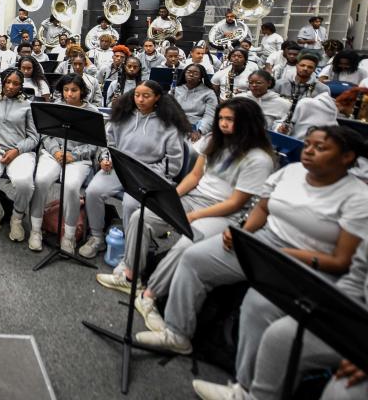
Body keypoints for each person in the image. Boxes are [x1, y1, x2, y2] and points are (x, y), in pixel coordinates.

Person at [136, 126, 368, 365]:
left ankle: (247, 388)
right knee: (193, 258)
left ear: (347, 157)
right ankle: (177, 333)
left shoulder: (358, 197)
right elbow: (263, 208)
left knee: (258, 305)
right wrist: (242, 234)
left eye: (319, 148)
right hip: (265, 240)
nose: (308, 151)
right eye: (307, 144)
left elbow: (341, 262)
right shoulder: (292, 172)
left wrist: (282, 254)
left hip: (307, 262)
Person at [96, 98, 274, 329]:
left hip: (224, 213)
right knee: (142, 216)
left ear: (248, 122)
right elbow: (194, 177)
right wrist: (171, 200)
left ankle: (149, 295)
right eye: (221, 118)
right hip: (194, 198)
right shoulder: (213, 141)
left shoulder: (259, 159)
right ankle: (130, 276)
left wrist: (194, 216)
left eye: (230, 119)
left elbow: (235, 202)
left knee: (187, 244)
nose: (223, 123)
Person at [193, 239, 368, 400]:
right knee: (281, 336)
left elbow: (341, 261)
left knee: (343, 391)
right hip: (357, 319)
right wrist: (329, 310)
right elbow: (356, 281)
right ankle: (252, 396)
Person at [82, 81, 188, 258]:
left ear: (157, 98)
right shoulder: (122, 116)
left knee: (130, 204)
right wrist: (106, 158)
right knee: (93, 191)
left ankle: (130, 247)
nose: (140, 99)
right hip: (120, 166)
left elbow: (174, 162)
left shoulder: (168, 124)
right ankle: (97, 237)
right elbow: (109, 144)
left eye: (146, 96)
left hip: (148, 172)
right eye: (137, 95)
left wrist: (154, 175)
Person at [0, 69, 51, 244]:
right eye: (8, 82)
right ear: (2, 82)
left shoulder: (28, 105)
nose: (11, 86)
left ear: (21, 86)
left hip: (21, 153)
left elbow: (34, 136)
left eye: (15, 83)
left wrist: (17, 150)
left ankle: (17, 218)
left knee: (24, 183)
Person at [44, 74, 103, 254]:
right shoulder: (56, 107)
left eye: (74, 90)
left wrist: (73, 155)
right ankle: (36, 228)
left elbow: (95, 142)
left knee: (70, 186)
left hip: (78, 158)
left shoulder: (92, 112)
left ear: (83, 91)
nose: (69, 94)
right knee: (41, 180)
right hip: (55, 153)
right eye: (66, 90)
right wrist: (56, 151)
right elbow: (46, 134)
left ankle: (68, 235)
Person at [172, 63, 217, 142]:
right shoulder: (176, 89)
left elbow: (210, 116)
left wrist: (200, 130)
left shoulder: (209, 93)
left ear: (201, 77)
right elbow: (168, 109)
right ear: (184, 74)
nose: (191, 74)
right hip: (176, 124)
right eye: (188, 72)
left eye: (195, 73)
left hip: (196, 126)